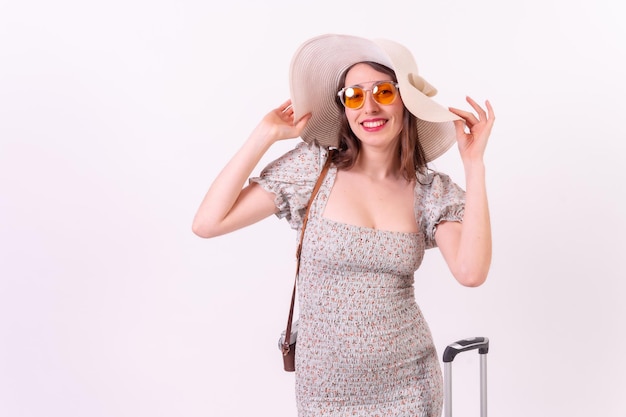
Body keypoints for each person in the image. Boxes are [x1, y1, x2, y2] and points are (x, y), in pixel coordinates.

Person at [192, 33, 495, 417]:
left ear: (406, 101)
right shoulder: (313, 169)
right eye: (353, 95)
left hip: (410, 387)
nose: (368, 106)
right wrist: (264, 135)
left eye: (383, 92)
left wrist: (475, 166)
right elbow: (207, 223)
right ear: (344, 108)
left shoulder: (429, 191)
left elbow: (471, 272)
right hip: (326, 391)